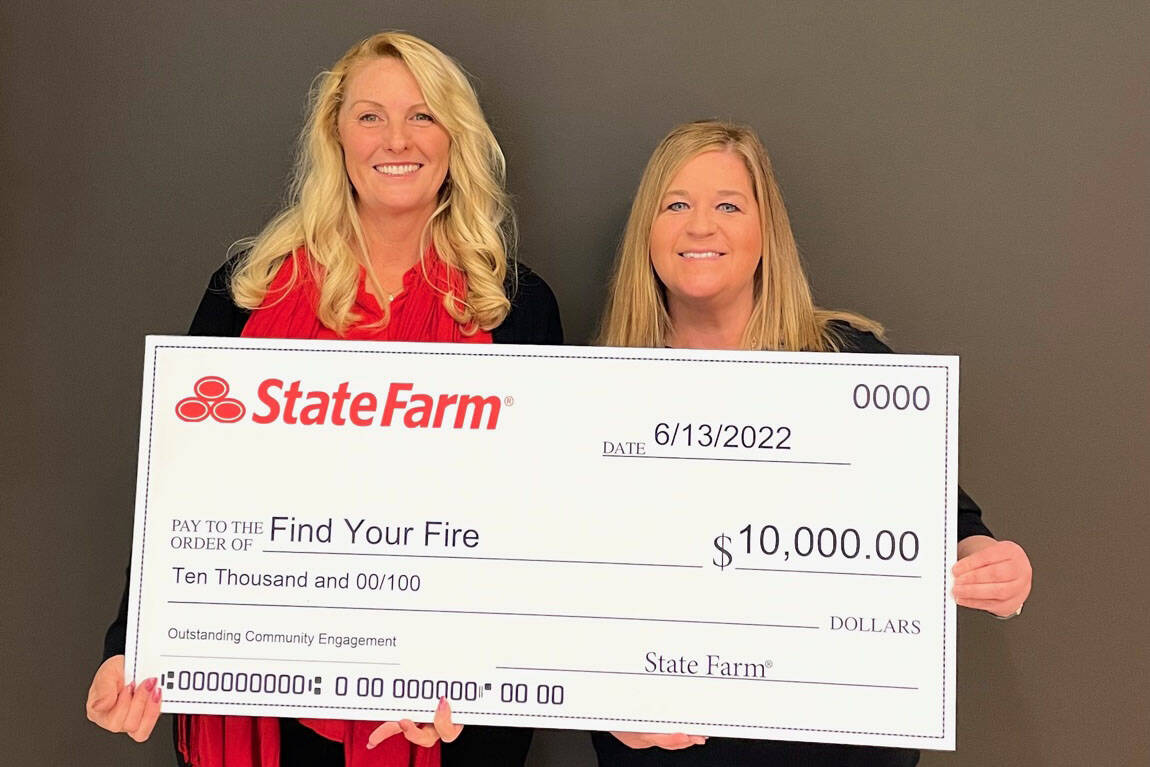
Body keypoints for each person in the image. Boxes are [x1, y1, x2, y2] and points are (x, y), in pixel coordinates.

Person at [85, 31, 560, 767]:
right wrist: (131, 644)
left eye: (423, 115)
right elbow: (181, 496)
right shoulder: (246, 290)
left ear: (455, 137)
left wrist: (476, 680)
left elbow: (540, 525)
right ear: (336, 137)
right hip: (266, 707)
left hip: (440, 721)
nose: (396, 139)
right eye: (370, 116)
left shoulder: (517, 308)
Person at [593, 120, 1032, 767]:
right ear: (647, 232)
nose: (701, 226)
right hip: (677, 750)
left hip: (839, 744)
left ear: (766, 231)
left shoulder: (851, 364)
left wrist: (993, 566)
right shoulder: (596, 393)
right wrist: (605, 704)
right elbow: (569, 593)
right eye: (676, 204)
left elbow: (950, 525)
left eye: (729, 206)